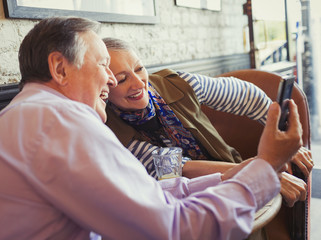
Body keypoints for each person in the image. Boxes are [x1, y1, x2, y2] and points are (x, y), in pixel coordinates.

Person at [0, 17, 302, 240]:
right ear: (60, 69)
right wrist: (266, 167)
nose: (110, 79)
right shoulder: (63, 123)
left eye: (138, 69)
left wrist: (231, 174)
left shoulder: (28, 115)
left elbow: (146, 194)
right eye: (105, 67)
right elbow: (173, 229)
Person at [103, 37, 313, 208]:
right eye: (122, 79)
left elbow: (245, 95)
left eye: (139, 69)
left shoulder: (176, 84)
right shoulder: (109, 131)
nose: (139, 83)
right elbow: (179, 169)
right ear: (104, 88)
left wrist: (282, 138)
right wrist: (253, 173)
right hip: (180, 202)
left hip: (230, 172)